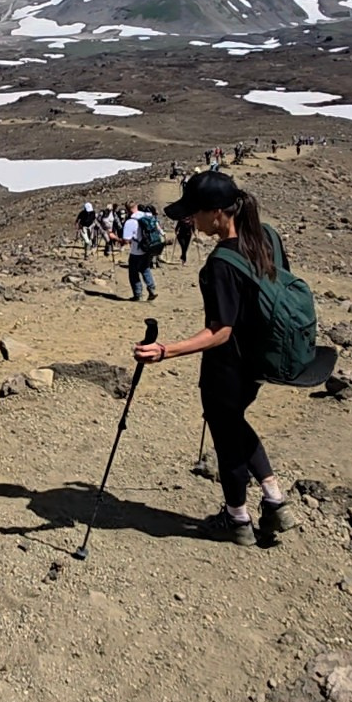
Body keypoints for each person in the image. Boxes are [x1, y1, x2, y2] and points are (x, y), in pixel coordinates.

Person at [133, 170, 296, 546]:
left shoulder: (221, 263)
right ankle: (274, 500)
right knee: (236, 423)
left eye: (195, 213)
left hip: (229, 364)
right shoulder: (264, 236)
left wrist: (164, 350)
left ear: (219, 212)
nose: (190, 220)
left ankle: (237, 520)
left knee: (226, 437)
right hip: (260, 357)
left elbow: (220, 331)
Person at [122, 203, 157, 304]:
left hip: (136, 251)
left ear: (127, 210)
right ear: (136, 206)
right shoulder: (147, 216)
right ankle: (152, 289)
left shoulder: (130, 222)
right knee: (145, 268)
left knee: (133, 273)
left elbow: (126, 240)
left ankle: (138, 295)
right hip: (148, 249)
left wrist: (115, 238)